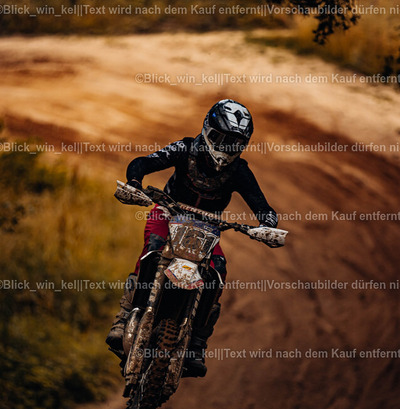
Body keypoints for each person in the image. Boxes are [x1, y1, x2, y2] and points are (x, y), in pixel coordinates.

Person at [106, 98, 278, 377]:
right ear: (208, 130)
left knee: (218, 270)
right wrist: (135, 183)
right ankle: (124, 317)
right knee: (153, 250)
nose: (227, 147)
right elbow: (144, 162)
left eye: (235, 142)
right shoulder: (185, 149)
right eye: (222, 138)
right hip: (168, 212)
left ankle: (196, 343)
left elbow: (262, 205)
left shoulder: (239, 171)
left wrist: (267, 224)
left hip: (206, 228)